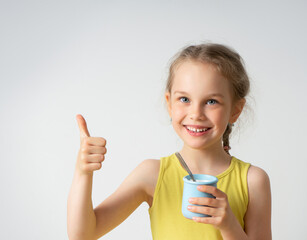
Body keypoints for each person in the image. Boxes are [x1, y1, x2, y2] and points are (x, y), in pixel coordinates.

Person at [67, 43, 272, 240]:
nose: (196, 114)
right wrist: (82, 172)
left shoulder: (253, 181)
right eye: (184, 99)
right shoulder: (152, 174)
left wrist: (229, 225)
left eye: (211, 101)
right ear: (169, 103)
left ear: (235, 110)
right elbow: (83, 235)